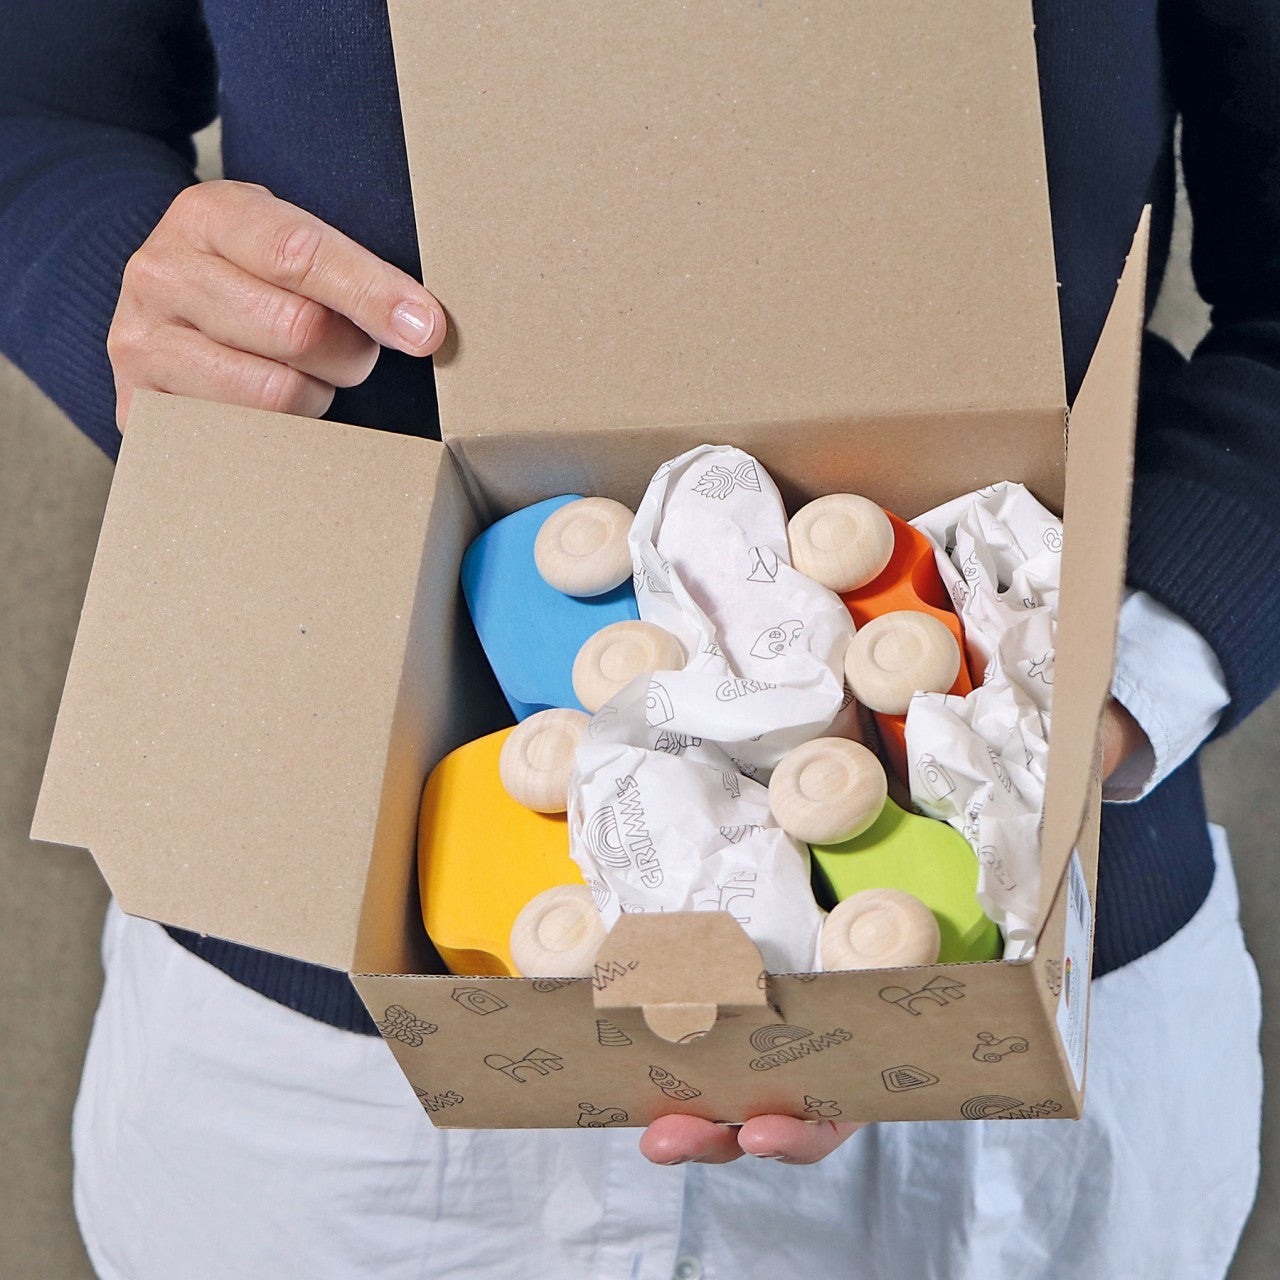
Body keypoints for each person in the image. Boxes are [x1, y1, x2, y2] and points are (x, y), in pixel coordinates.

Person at [1, 1, 1272, 1276]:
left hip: (1023, 1031)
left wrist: (1086, 700)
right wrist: (147, 298)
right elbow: (34, 114)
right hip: (326, 1019)